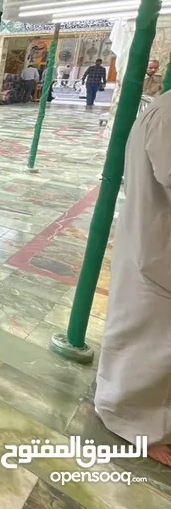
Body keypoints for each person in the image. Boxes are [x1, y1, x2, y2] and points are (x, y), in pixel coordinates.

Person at [95, 90, 171, 467]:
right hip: (155, 244)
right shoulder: (168, 113)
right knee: (147, 338)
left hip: (155, 240)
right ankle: (132, 421)